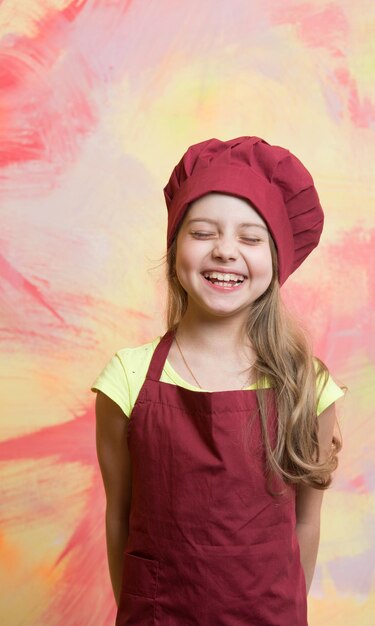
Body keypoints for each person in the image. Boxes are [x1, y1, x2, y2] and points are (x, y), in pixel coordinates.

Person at [92, 136, 347, 626]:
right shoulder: (125, 378)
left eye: (250, 239)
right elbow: (119, 517)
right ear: (174, 248)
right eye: (203, 232)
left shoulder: (307, 386)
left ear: (277, 261)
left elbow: (306, 521)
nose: (226, 252)